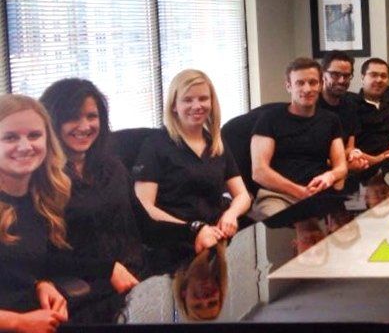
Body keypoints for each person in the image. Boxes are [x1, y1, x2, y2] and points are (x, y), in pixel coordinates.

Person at [0, 95, 133, 332]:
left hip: (39, 316)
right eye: (10, 137)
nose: (25, 146)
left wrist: (39, 283)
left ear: (48, 141)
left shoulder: (37, 197)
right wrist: (17, 322)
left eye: (34, 135)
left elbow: (18, 263)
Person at [39, 79, 142, 318]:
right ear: (53, 121)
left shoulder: (112, 166)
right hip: (84, 293)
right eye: (73, 117)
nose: (84, 126)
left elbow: (142, 223)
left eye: (91, 116)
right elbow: (42, 256)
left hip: (133, 280)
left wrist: (194, 229)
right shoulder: (42, 178)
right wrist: (106, 270)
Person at [133, 69, 252, 252]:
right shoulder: (155, 145)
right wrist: (193, 229)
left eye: (203, 98)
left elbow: (242, 196)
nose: (197, 106)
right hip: (178, 238)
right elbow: (144, 208)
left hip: (218, 233)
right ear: (174, 105)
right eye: (188, 100)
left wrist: (231, 214)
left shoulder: (215, 142)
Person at [250, 58, 349, 217]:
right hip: (278, 196)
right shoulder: (269, 119)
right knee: (281, 228)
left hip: (319, 194)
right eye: (300, 83)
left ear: (321, 84)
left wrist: (329, 176)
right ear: (288, 86)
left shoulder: (331, 120)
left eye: (313, 82)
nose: (307, 88)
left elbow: (341, 167)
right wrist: (300, 192)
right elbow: (259, 172)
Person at [318, 51, 368, 171]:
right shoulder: (312, 106)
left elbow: (350, 146)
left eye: (346, 76)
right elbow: (315, 157)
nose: (341, 80)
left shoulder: (350, 104)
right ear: (323, 74)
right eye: (335, 74)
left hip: (341, 170)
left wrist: (352, 155)